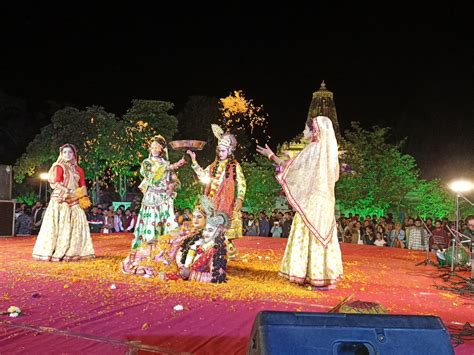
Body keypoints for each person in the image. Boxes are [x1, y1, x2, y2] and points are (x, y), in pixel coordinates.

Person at [257, 115, 343, 290]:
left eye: (306, 128)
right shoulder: (327, 153)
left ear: (315, 131)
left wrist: (272, 156)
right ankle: (322, 275)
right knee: (322, 234)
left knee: (306, 231)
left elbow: (291, 169)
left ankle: (303, 273)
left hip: (311, 202)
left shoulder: (312, 150)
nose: (303, 132)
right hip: (325, 202)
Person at [187, 124, 246, 259]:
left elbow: (242, 182)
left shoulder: (235, 166)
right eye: (219, 150)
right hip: (211, 201)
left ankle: (227, 253)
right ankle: (216, 252)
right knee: (212, 229)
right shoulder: (213, 166)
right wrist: (194, 161)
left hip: (226, 202)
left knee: (222, 229)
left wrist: (240, 198)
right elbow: (203, 176)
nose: (220, 153)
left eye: (223, 151)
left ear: (229, 151)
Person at [32, 144, 95, 261]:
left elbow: (82, 185)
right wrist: (68, 191)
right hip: (60, 199)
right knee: (60, 225)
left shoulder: (79, 170)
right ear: (61, 154)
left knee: (77, 224)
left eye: (70, 152)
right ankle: (55, 252)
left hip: (75, 199)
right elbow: (56, 183)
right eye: (64, 152)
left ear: (74, 155)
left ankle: (72, 252)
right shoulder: (58, 166)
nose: (67, 155)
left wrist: (84, 198)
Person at [130, 135, 186, 250]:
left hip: (165, 198)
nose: (155, 149)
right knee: (152, 222)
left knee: (168, 223)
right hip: (152, 197)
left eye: (157, 147)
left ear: (162, 149)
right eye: (152, 147)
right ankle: (148, 250)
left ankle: (167, 249)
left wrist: (172, 185)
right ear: (149, 149)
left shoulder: (166, 163)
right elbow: (153, 177)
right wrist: (174, 166)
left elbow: (176, 181)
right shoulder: (147, 163)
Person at [177, 210, 229, 283]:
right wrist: (182, 267)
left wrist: (190, 274)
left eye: (210, 230)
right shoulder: (201, 243)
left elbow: (217, 277)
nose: (206, 233)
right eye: (205, 230)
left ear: (218, 233)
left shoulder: (216, 250)